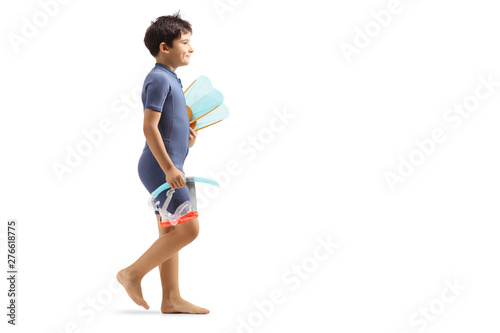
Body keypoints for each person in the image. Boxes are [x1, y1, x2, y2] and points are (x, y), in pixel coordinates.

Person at [117, 11, 209, 314]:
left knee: (170, 233)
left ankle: (171, 298)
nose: (191, 48)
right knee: (190, 230)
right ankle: (131, 273)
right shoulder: (158, 78)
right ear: (164, 47)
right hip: (160, 167)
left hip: (166, 164)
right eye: (185, 42)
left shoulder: (170, 78)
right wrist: (169, 168)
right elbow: (149, 127)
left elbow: (170, 129)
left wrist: (186, 142)